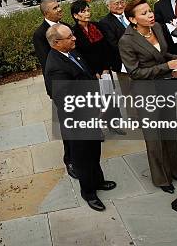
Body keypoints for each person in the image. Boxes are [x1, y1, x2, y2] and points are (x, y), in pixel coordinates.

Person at [119, 0, 177, 193]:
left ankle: (175, 170)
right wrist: (165, 67)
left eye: (149, 11)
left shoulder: (158, 28)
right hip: (146, 93)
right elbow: (135, 73)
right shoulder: (126, 41)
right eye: (143, 13)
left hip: (165, 87)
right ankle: (162, 179)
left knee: (170, 132)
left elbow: (164, 54)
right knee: (154, 138)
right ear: (132, 20)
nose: (150, 15)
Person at [44, 23, 116, 211]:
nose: (74, 38)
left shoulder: (72, 52)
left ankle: (98, 181)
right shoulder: (55, 67)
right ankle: (89, 193)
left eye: (72, 35)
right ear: (57, 43)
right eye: (69, 37)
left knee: (94, 151)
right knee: (83, 157)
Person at [32, 0, 76, 179]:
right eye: (55, 8)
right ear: (45, 13)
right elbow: (47, 64)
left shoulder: (65, 26)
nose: (60, 9)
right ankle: (70, 159)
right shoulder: (40, 34)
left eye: (59, 6)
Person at [70, 0, 125, 135]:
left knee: (109, 97)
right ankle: (97, 129)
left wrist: (106, 67)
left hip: (105, 69)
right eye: (83, 11)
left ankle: (113, 124)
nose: (87, 13)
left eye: (88, 10)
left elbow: (106, 48)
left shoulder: (97, 26)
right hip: (90, 72)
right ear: (76, 15)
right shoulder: (74, 32)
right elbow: (79, 55)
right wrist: (93, 72)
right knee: (95, 101)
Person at [98, 0, 132, 114]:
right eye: (116, 3)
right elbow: (113, 44)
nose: (120, 6)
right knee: (129, 91)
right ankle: (135, 118)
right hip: (123, 62)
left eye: (122, 2)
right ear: (108, 6)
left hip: (142, 59)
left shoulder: (130, 15)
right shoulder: (105, 23)